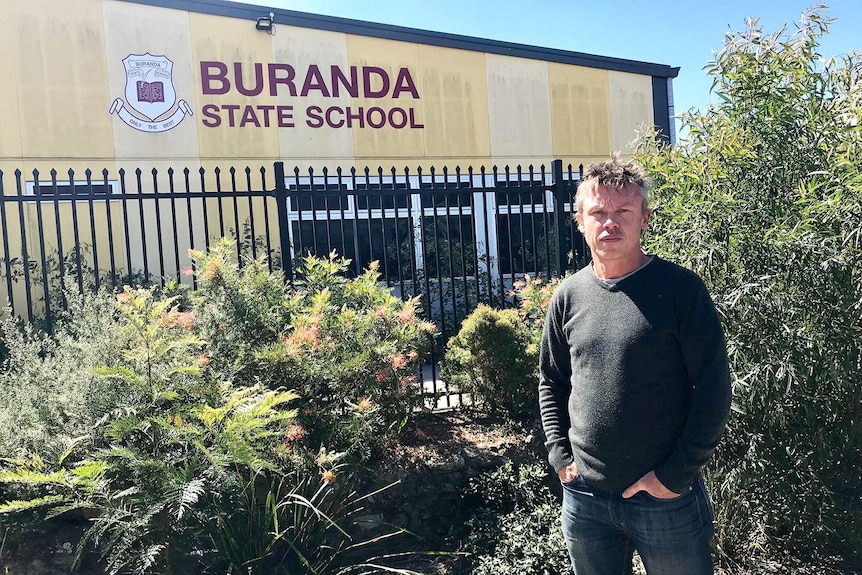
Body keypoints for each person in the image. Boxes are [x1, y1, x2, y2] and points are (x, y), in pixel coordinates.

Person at [538, 154, 731, 575]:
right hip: (585, 497)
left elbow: (714, 390)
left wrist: (673, 477)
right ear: (580, 221)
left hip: (665, 500)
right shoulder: (568, 296)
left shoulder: (681, 290)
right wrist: (560, 456)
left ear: (644, 218)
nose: (610, 222)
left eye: (623, 211)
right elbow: (552, 381)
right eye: (598, 212)